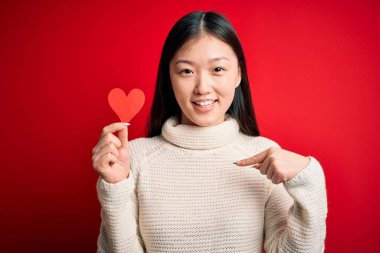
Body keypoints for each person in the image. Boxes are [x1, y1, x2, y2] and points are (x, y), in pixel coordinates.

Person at [91, 11, 327, 253]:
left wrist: (309, 178)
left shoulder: (264, 154)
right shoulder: (134, 158)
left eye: (217, 69)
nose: (202, 88)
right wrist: (115, 188)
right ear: (169, 78)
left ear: (238, 74)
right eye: (186, 71)